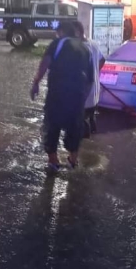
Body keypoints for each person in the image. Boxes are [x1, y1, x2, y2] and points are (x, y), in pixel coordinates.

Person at [31, 21, 93, 173]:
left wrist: (36, 83)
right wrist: (83, 98)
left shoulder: (57, 43)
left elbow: (44, 64)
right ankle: (73, 160)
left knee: (52, 126)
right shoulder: (86, 49)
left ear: (61, 31)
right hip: (77, 95)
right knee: (75, 127)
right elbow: (90, 79)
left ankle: (53, 161)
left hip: (57, 94)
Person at [73, 21, 105, 137]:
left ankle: (85, 149)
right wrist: (96, 72)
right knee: (91, 116)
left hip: (85, 91)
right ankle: (94, 142)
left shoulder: (80, 49)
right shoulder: (94, 43)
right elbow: (102, 59)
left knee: (82, 121)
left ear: (77, 32)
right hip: (95, 91)